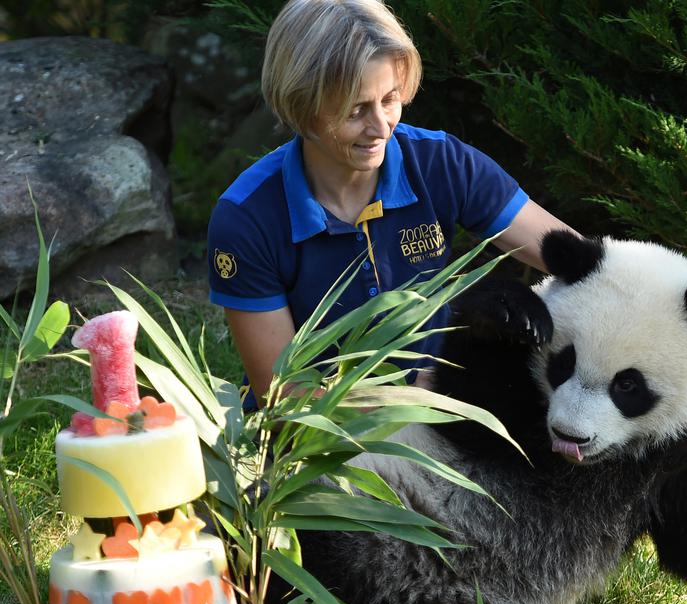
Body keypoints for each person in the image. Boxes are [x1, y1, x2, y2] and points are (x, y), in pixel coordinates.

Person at [206, 0, 574, 406]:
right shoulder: (247, 218)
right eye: (356, 110)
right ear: (302, 106)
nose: (381, 127)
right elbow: (282, 395)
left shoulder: (443, 163)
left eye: (390, 99)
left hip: (442, 410)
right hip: (319, 429)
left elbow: (582, 262)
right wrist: (420, 396)